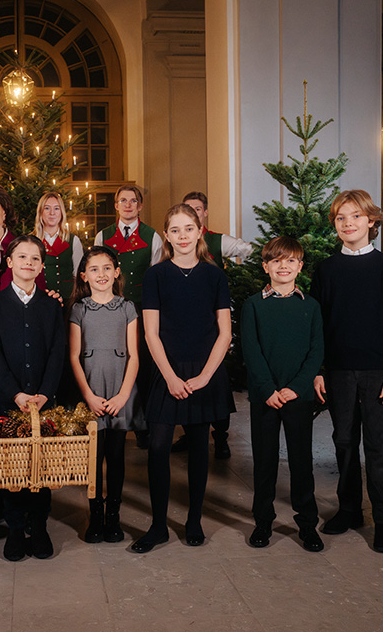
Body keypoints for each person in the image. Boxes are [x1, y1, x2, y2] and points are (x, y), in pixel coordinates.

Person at [310, 189, 383, 554]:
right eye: (340, 218)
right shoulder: (327, 269)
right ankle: (350, 509)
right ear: (335, 225)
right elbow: (317, 324)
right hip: (338, 371)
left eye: (355, 216)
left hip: (379, 373)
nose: (348, 223)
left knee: (380, 446)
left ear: (371, 221)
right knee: (344, 441)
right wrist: (320, 369)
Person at [131, 204, 232, 553]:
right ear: (167, 236)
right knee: (158, 447)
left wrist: (205, 376)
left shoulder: (214, 275)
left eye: (189, 228)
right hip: (166, 371)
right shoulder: (157, 276)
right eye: (175, 230)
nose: (183, 236)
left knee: (199, 451)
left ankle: (194, 520)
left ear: (199, 231)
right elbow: (151, 334)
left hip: (204, 372)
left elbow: (224, 333)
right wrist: (171, 377)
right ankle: (158, 525)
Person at [0, 235, 66, 561]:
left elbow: (57, 352)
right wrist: (15, 393)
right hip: (9, 399)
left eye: (35, 258)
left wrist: (44, 393)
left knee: (40, 466)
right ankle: (16, 527)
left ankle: (39, 525)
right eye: (22, 257)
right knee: (14, 466)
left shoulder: (50, 305)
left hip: (44, 400)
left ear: (41, 266)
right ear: (10, 262)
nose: (28, 263)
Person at [241, 236, 324, 552]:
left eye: (290, 260)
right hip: (266, 397)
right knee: (264, 462)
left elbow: (317, 350)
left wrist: (296, 387)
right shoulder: (253, 305)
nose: (283, 266)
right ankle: (263, 522)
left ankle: (307, 525)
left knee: (302, 462)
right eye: (276, 260)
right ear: (265, 266)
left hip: (298, 396)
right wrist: (268, 389)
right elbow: (251, 351)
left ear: (300, 266)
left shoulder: (311, 306)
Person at [171, 190, 252, 459]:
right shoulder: (174, 245)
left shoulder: (218, 241)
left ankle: (221, 436)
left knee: (216, 378)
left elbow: (249, 252)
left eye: (197, 210)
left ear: (203, 213)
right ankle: (190, 431)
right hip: (186, 320)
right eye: (188, 209)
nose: (193, 213)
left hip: (215, 320)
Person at [68, 245, 141, 544]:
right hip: (92, 390)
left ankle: (114, 515)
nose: (101, 274)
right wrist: (88, 395)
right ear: (84, 275)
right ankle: (95, 514)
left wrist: (124, 395)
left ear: (117, 272)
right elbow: (74, 356)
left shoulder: (127, 308)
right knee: (93, 458)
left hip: (119, 389)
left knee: (116, 456)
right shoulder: (79, 309)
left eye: (107, 268)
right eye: (94, 269)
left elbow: (134, 356)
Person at [94, 184, 162, 449]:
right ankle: (110, 421)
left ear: (140, 205)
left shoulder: (152, 236)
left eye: (133, 201)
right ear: (116, 205)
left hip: (142, 310)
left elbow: (156, 275)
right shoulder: (103, 235)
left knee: (142, 365)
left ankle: (142, 424)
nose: (128, 205)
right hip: (110, 311)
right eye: (123, 200)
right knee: (113, 363)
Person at [34, 192, 83, 302]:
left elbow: (78, 276)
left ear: (61, 213)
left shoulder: (73, 241)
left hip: (68, 300)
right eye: (47, 208)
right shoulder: (31, 241)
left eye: (56, 208)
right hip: (38, 300)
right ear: (40, 212)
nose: (52, 213)